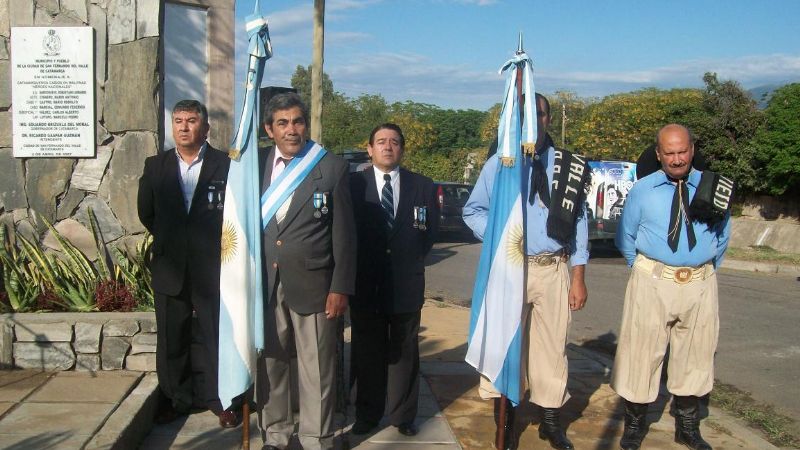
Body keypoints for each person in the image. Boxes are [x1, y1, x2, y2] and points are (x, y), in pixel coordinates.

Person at [463, 93, 589, 450]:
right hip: (511, 269)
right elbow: (473, 211)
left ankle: (551, 421)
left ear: (548, 120)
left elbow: (580, 222)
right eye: (525, 116)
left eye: (540, 114)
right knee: (507, 346)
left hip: (554, 268)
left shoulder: (569, 166)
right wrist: (502, 237)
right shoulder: (500, 165)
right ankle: (506, 421)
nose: (534, 121)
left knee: (552, 347)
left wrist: (578, 276)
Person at [613, 124, 731, 450]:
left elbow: (723, 237)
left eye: (682, 151)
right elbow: (625, 237)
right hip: (652, 281)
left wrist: (701, 269)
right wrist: (644, 269)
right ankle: (635, 426)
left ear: (692, 150)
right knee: (641, 356)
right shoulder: (643, 189)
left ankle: (687, 428)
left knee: (696, 356)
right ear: (658, 154)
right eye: (670, 153)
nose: (677, 159)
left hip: (700, 282)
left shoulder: (714, 187)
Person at [255, 93, 356, 450]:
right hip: (265, 285)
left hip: (315, 284)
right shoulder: (254, 166)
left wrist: (340, 286)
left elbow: (344, 235)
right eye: (282, 123)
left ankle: (317, 438)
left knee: (317, 371)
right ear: (269, 129)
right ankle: (277, 434)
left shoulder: (331, 167)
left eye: (298, 121)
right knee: (270, 365)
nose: (292, 130)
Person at [137, 99, 241, 428]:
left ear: (205, 128)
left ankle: (222, 400)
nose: (183, 126)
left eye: (191, 120)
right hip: (170, 268)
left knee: (217, 338)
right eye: (178, 120)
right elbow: (147, 213)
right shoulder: (156, 166)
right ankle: (177, 399)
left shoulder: (226, 166)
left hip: (213, 269)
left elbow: (233, 215)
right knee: (172, 339)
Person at [348, 123, 439, 437]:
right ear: (369, 148)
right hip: (365, 285)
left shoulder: (423, 186)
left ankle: (403, 416)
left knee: (405, 355)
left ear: (402, 149)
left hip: (406, 285)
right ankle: (367, 414)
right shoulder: (352, 185)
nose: (388, 147)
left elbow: (429, 235)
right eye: (381, 141)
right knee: (367, 353)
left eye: (395, 142)